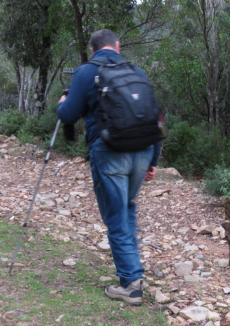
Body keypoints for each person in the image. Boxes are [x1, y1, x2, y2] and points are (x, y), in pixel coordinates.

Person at [57, 29, 161, 305]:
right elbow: (154, 116)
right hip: (143, 150)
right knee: (126, 207)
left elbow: (68, 114)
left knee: (116, 215)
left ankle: (131, 284)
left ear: (93, 49)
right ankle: (133, 271)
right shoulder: (137, 71)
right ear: (118, 45)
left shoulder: (86, 72)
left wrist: (62, 104)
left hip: (110, 151)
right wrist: (153, 161)